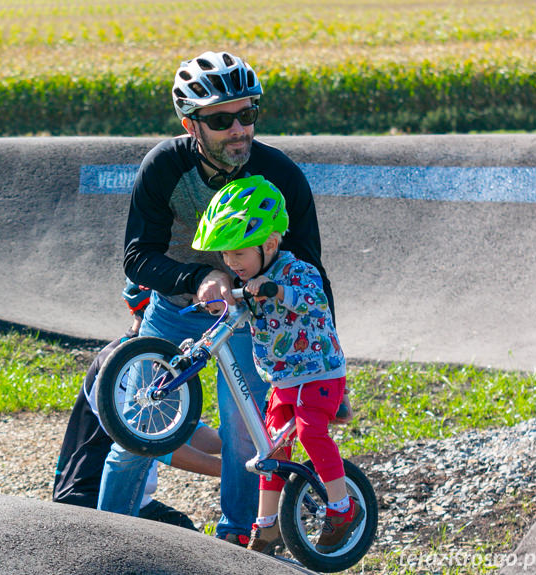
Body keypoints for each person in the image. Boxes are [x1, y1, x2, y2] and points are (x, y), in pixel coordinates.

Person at [103, 49, 335, 545]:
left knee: (244, 435)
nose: (238, 129)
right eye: (222, 119)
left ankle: (234, 544)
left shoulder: (281, 175)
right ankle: (107, 538)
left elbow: (311, 274)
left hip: (253, 318)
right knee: (136, 429)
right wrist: (196, 279)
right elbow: (136, 256)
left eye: (247, 114)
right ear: (192, 124)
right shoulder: (165, 166)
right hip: (175, 309)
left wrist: (329, 366)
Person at [191, 175, 360, 555]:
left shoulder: (296, 271)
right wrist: (223, 305)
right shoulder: (247, 281)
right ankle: (267, 525)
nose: (231, 263)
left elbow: (313, 302)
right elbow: (243, 316)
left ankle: (342, 506)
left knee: (311, 432)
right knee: (270, 450)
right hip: (283, 380)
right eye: (225, 255)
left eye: (239, 253)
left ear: (269, 243)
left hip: (319, 372)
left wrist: (277, 290)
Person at [53, 281, 222, 530]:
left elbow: (184, 428)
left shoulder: (159, 359)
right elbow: (152, 443)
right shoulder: (119, 363)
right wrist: (231, 472)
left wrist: (241, 447)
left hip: (135, 500)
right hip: (88, 496)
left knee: (185, 531)